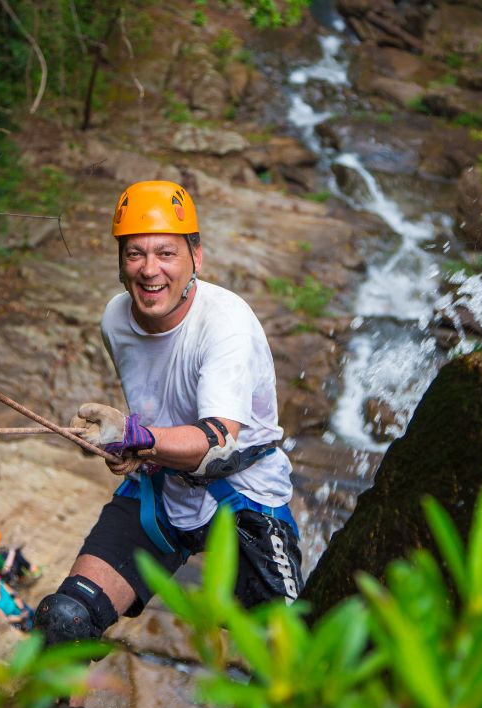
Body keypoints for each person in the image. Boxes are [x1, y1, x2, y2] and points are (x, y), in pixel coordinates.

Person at [35, 180, 303, 647]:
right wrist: (132, 448)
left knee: (290, 657)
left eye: (165, 253)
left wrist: (134, 437)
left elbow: (217, 439)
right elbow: (154, 410)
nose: (149, 270)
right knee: (65, 621)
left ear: (196, 258)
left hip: (243, 498)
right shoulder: (115, 319)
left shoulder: (226, 325)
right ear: (120, 263)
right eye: (135, 254)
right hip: (162, 492)